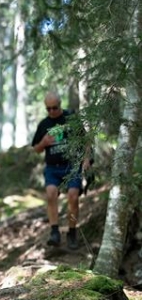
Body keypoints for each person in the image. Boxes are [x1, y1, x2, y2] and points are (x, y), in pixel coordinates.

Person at [32, 91, 92, 250]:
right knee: (51, 194)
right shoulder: (44, 125)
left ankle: (72, 233)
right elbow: (36, 149)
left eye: (54, 108)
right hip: (52, 168)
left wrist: (86, 159)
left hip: (72, 165)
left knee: (73, 196)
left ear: (60, 105)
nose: (52, 111)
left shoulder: (71, 118)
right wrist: (43, 143)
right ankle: (54, 232)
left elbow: (85, 141)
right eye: (48, 109)